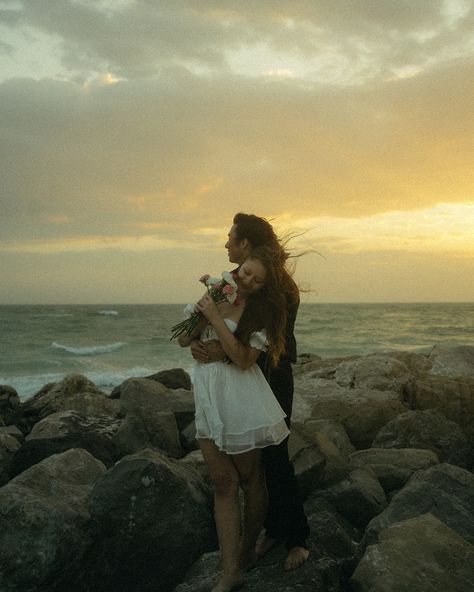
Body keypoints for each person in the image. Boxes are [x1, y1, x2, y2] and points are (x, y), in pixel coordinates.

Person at [190, 213, 310, 572]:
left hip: (270, 375)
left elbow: (257, 343)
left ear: (245, 244)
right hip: (244, 375)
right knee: (260, 462)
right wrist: (199, 340)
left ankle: (297, 539)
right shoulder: (237, 282)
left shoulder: (276, 287)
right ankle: (273, 529)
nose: (226, 243)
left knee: (274, 456)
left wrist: (224, 352)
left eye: (231, 238)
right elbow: (223, 324)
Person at [178, 245, 293, 592]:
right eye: (245, 272)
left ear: (263, 287)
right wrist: (204, 317)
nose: (246, 281)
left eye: (256, 280)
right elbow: (183, 338)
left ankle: (246, 549)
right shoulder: (216, 294)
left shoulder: (263, 314)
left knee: (249, 478)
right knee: (222, 483)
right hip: (209, 396)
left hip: (240, 398)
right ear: (237, 267)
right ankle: (230, 573)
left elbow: (244, 359)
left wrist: (215, 319)